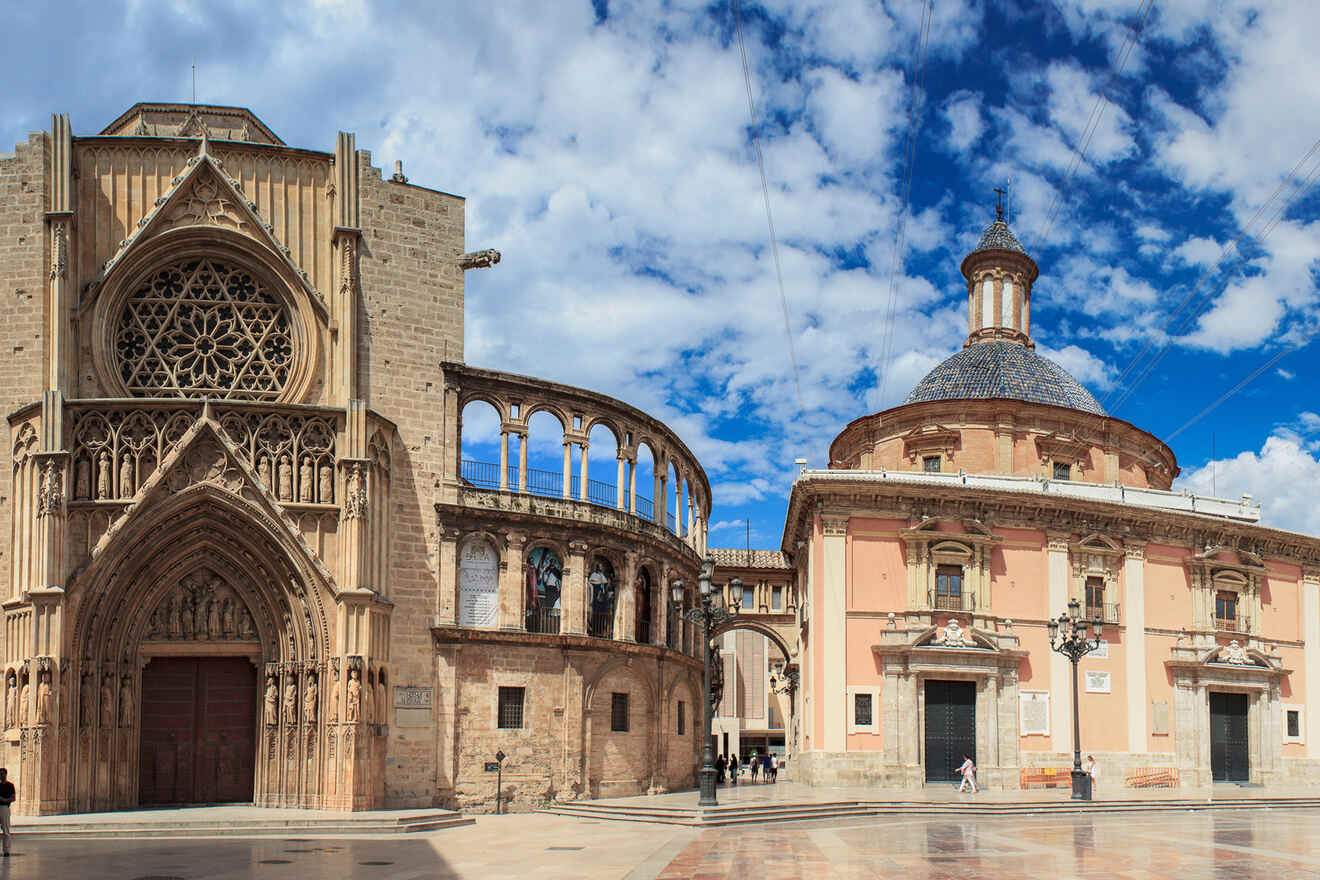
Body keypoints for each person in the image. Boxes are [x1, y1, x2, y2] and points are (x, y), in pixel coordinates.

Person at [0, 766, 14, 855]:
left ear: (5, 774)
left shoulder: (10, 786)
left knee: (5, 830)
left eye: (2, 774)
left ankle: (6, 850)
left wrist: (3, 800)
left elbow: (13, 798)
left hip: (4, 808)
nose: (1, 776)